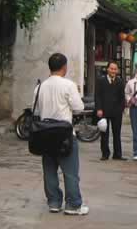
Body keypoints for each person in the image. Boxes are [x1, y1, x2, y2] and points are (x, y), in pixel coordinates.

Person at [37, 53, 88, 215]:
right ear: (64, 67)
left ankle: (54, 202)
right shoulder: (69, 85)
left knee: (49, 169)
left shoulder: (40, 87)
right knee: (70, 171)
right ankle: (73, 204)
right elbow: (79, 107)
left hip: (45, 133)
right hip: (64, 133)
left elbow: (37, 109)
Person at [95, 61, 126, 161]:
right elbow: (98, 96)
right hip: (104, 111)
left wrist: (121, 109)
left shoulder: (120, 81)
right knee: (104, 133)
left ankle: (117, 154)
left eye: (115, 69)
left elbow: (122, 97)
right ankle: (105, 154)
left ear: (117, 70)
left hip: (117, 112)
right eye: (111, 68)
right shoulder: (101, 81)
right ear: (107, 69)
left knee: (117, 133)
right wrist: (99, 109)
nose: (113, 71)